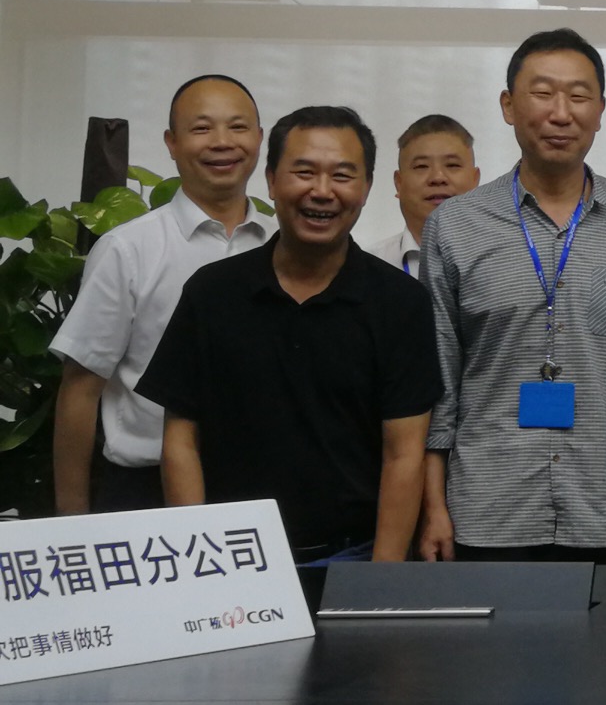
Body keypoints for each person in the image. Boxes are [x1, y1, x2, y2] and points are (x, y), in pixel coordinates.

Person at [140, 107, 441, 562]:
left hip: (351, 556)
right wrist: (198, 559)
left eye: (342, 175)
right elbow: (181, 441)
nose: (321, 191)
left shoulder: (400, 302)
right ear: (271, 180)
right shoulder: (212, 292)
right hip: (232, 556)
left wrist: (381, 577)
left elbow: (404, 454)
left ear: (366, 188)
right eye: (303, 172)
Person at [420, 29, 606, 562]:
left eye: (579, 96)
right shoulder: (455, 225)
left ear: (600, 111)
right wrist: (433, 504)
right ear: (508, 106)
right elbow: (440, 374)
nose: (561, 114)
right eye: (542, 93)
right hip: (487, 506)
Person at [50, 74, 271, 515]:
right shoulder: (128, 249)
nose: (222, 142)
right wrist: (71, 520)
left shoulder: (280, 246)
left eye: (238, 126)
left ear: (260, 138)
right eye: (202, 128)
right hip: (144, 489)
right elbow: (81, 388)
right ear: (172, 143)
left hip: (257, 487)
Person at [364, 114, 479, 278]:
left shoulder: (506, 257)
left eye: (452, 165)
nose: (438, 178)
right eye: (421, 166)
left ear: (475, 179)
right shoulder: (368, 267)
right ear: (399, 183)